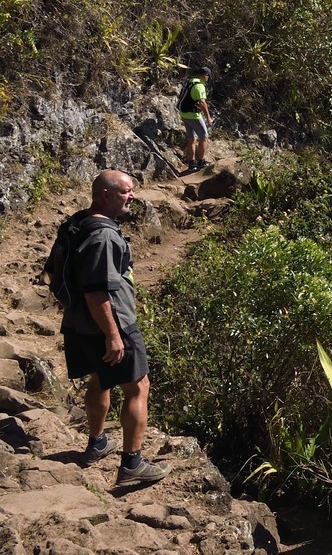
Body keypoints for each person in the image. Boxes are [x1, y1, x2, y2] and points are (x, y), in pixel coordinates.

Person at [60, 170, 169, 485]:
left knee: (100, 380)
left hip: (78, 322)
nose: (132, 196)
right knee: (138, 387)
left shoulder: (77, 223)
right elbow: (97, 292)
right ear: (104, 195)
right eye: (125, 191)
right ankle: (132, 464)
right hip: (110, 324)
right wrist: (113, 336)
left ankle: (97, 444)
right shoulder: (104, 235)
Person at [180, 65, 212, 173]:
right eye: (208, 76)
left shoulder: (190, 82)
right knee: (204, 137)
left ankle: (191, 164)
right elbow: (202, 102)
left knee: (191, 138)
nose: (208, 78)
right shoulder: (199, 86)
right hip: (194, 116)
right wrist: (208, 118)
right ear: (205, 75)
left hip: (184, 114)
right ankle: (201, 162)